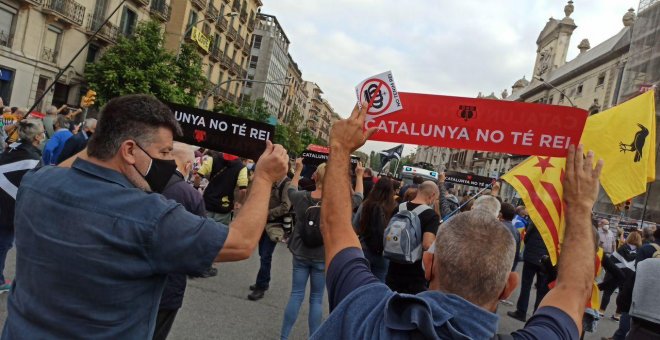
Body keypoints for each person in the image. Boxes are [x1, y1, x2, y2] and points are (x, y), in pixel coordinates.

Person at [2, 94, 289, 339]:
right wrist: (264, 178)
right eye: (164, 151)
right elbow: (241, 242)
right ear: (128, 150)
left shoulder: (37, 182)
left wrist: (108, 130)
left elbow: (76, 163)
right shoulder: (150, 216)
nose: (168, 162)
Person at [312, 103, 604, 339]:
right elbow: (574, 292)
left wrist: (339, 147)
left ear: (428, 264)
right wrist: (579, 205)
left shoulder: (366, 313)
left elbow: (336, 227)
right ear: (508, 287)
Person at [153, 142, 206, 340]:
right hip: (170, 283)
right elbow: (199, 244)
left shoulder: (140, 179)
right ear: (188, 166)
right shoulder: (191, 195)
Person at [280, 159, 326, 340]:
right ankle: (313, 336)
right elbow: (358, 198)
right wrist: (359, 176)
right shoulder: (336, 202)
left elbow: (291, 189)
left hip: (300, 251)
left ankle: (284, 336)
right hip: (322, 254)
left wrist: (298, 170)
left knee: (296, 294)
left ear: (315, 176)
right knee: (316, 299)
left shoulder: (301, 197)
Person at [0, 119, 45, 293]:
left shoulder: (13, 147)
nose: (44, 135)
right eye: (42, 133)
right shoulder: (33, 160)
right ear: (36, 138)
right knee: (3, 244)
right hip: (7, 210)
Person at [385, 180, 440, 294]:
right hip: (414, 274)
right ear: (432, 195)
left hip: (393, 267)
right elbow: (427, 244)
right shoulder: (431, 215)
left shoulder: (399, 207)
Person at [248, 172, 291, 301]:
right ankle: (264, 281)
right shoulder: (275, 181)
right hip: (265, 222)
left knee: (266, 255)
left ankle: (260, 286)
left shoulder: (286, 184)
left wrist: (267, 213)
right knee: (263, 254)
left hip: (274, 224)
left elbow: (285, 206)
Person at [352, 177, 397, 282]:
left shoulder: (365, 205)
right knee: (378, 286)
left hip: (364, 249)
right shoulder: (394, 208)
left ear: (375, 188)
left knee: (360, 283)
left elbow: (355, 228)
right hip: (384, 252)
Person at [507, 216, 551, 322]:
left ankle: (521, 311)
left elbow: (527, 236)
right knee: (541, 289)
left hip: (531, 257)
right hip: (545, 260)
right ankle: (537, 316)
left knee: (526, 285)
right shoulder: (555, 224)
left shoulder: (538, 219)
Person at [598, 231, 641, 320]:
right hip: (628, 276)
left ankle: (601, 311)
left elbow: (611, 260)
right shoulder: (639, 252)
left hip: (615, 274)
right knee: (622, 295)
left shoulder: (622, 248)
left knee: (607, 292)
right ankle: (617, 315)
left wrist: (609, 271)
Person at [197, 152, 248, 225]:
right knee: (218, 233)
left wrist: (196, 187)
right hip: (224, 207)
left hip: (207, 203)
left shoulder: (213, 159)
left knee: (201, 227)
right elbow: (243, 190)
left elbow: (197, 176)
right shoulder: (241, 167)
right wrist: (239, 202)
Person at [501, 202, 521, 271]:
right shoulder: (516, 232)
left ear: (500, 214)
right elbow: (516, 254)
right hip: (507, 268)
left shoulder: (496, 226)